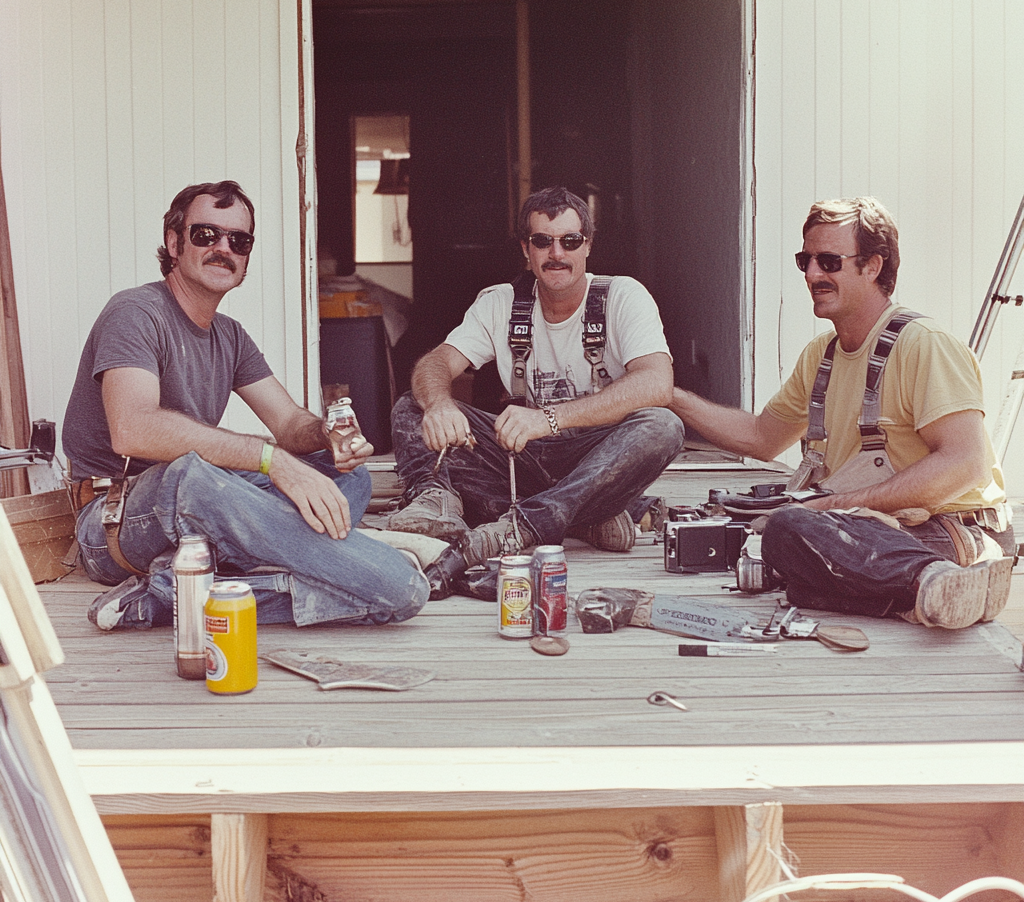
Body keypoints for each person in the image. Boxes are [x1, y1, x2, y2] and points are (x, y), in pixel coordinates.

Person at [64, 180, 428, 631]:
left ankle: (166, 595)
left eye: (239, 240)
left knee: (343, 477)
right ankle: (371, 573)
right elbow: (133, 428)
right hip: (116, 522)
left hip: (197, 513)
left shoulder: (230, 335)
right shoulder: (135, 312)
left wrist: (327, 437)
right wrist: (273, 462)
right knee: (400, 588)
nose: (224, 248)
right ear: (174, 242)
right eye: (206, 235)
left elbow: (290, 421)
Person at [670, 196, 1014, 629]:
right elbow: (761, 437)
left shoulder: (924, 344)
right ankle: (926, 596)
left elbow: (965, 463)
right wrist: (671, 397)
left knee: (790, 531)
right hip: (880, 528)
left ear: (872, 266)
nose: (813, 275)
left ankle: (933, 576)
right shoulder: (821, 355)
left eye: (829, 261)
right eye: (806, 260)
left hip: (952, 528)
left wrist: (832, 507)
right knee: (781, 544)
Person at [388, 186, 685, 569]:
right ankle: (445, 501)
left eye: (570, 240)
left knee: (662, 425)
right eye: (543, 241)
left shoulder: (623, 296)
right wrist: (440, 405)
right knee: (413, 407)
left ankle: (522, 526)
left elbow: (656, 383)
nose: (557, 253)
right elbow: (437, 363)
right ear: (526, 250)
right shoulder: (499, 301)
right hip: (518, 458)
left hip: (592, 454)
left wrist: (548, 419)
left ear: (588, 246)